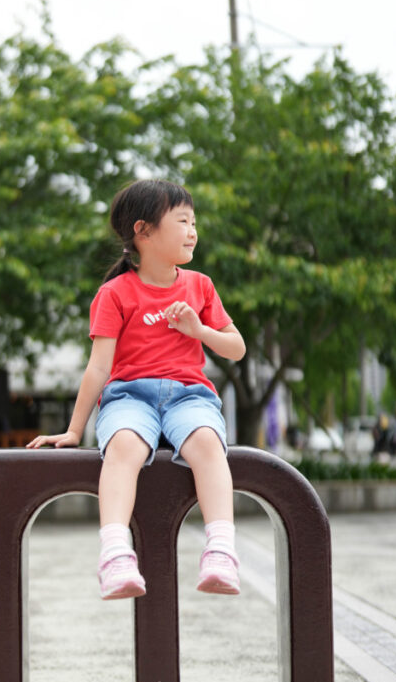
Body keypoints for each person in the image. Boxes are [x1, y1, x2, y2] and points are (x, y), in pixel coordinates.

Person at [27, 179, 246, 600]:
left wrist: (198, 330)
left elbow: (235, 348)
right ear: (143, 232)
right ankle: (114, 554)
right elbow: (98, 369)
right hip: (129, 396)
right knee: (124, 446)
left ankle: (221, 549)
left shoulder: (200, 286)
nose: (192, 230)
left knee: (206, 442)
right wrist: (74, 430)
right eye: (182, 221)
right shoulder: (115, 293)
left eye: (194, 221)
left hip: (189, 394)